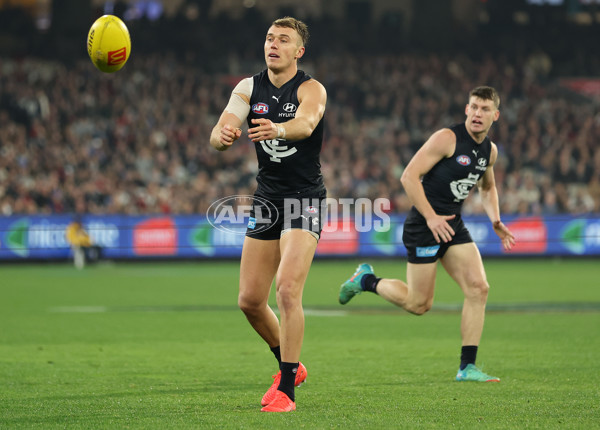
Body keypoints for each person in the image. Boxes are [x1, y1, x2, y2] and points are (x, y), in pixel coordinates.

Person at [339, 86, 515, 382]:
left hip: (451, 224)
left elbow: (487, 187)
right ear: (466, 110)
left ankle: (467, 367)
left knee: (478, 288)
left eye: (484, 109)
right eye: (473, 107)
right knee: (419, 304)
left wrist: (495, 219)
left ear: (495, 115)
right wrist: (431, 218)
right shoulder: (447, 138)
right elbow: (408, 176)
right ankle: (365, 280)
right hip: (424, 224)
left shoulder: (490, 151)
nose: (477, 113)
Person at [209, 17, 327, 412]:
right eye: (269, 38)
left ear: (299, 51)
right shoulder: (248, 87)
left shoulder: (311, 88)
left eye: (283, 40)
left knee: (288, 290)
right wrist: (223, 137)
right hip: (268, 199)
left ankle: (287, 391)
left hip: (304, 199)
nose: (273, 44)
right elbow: (221, 129)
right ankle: (290, 365)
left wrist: (277, 130)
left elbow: (307, 123)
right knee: (249, 300)